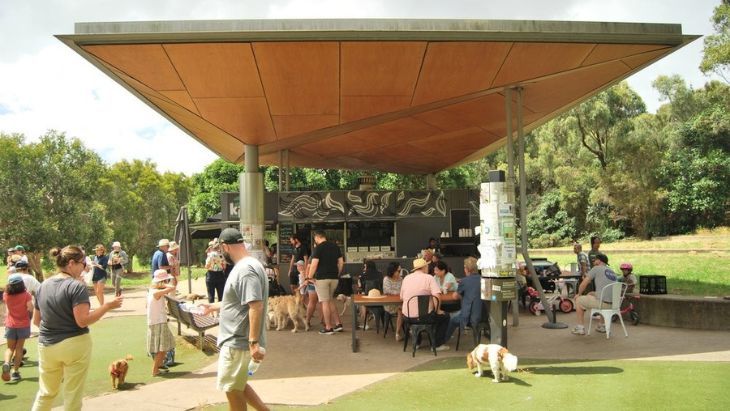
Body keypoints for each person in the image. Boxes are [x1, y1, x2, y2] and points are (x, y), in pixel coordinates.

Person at [32, 246, 122, 410]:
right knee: (72, 395)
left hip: (46, 346)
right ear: (72, 263)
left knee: (46, 393)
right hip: (74, 345)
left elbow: (36, 321)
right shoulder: (76, 287)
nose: (85, 268)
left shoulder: (42, 286)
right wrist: (107, 306)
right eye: (83, 264)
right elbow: (82, 321)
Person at [201, 228, 269, 411]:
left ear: (225, 247)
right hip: (237, 340)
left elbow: (256, 305)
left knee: (231, 388)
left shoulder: (246, 269)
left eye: (221, 249)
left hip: (238, 341)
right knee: (238, 383)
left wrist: (253, 342)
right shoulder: (248, 265)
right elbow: (241, 300)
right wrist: (214, 306)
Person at [400, 258, 450, 351]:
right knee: (445, 316)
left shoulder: (406, 278)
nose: (428, 267)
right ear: (424, 267)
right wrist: (438, 310)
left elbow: (402, 297)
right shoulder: (429, 278)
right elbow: (437, 296)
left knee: (415, 315)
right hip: (425, 317)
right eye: (427, 266)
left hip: (407, 317)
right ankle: (437, 344)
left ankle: (417, 342)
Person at [306, 230, 344, 335]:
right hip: (334, 278)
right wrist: (338, 273)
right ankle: (338, 324)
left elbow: (313, 264)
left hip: (322, 278)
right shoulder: (335, 247)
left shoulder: (318, 248)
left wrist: (308, 277)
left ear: (317, 237)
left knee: (324, 302)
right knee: (330, 300)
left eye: (315, 239)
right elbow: (341, 262)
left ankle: (328, 327)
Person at [571, 253, 618, 335]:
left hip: (602, 304)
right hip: (614, 304)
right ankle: (602, 325)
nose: (593, 261)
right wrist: (593, 293)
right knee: (593, 295)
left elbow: (584, 284)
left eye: (595, 260)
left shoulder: (596, 268)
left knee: (578, 300)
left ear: (599, 261)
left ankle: (580, 328)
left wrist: (579, 294)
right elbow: (607, 291)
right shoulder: (612, 272)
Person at [443, 257, 483, 347]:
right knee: (455, 314)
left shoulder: (464, 281)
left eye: (464, 267)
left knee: (452, 318)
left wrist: (463, 295)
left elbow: (455, 296)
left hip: (470, 317)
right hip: (483, 315)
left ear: (468, 269)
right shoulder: (483, 279)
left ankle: (443, 340)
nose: (464, 269)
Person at [2, 274, 33, 382]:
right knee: (19, 348)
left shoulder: (6, 295)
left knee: (10, 348)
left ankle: (6, 363)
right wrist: (29, 317)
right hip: (23, 324)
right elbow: (30, 308)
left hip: (10, 324)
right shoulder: (26, 295)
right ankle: (15, 372)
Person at [147, 269, 177, 376]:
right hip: (158, 322)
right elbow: (172, 287)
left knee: (164, 346)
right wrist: (165, 284)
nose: (167, 282)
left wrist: (161, 284)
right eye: (165, 280)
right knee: (162, 348)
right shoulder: (156, 292)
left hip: (157, 321)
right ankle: (155, 369)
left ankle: (158, 366)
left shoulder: (151, 290)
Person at [382, 261, 404, 342]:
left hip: (400, 302)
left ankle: (411, 329)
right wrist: (399, 293)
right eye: (398, 271)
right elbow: (387, 291)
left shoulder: (401, 279)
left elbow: (404, 290)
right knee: (400, 310)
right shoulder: (386, 279)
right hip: (390, 304)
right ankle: (397, 333)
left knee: (409, 307)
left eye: (400, 270)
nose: (400, 272)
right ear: (393, 270)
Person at [296, 260, 319, 328]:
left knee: (305, 301)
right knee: (305, 302)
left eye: (299, 266)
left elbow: (305, 282)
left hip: (303, 289)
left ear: (302, 266)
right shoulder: (301, 272)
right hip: (303, 288)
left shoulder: (303, 273)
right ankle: (308, 313)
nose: (297, 267)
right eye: (297, 266)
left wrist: (299, 288)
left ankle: (307, 313)